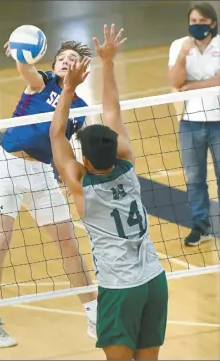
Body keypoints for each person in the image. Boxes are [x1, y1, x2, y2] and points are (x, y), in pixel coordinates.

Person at [49, 24, 168, 361]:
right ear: (115, 149)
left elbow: (56, 134)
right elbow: (112, 110)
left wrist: (68, 89)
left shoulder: (81, 185)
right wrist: (108, 64)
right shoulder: (127, 166)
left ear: (83, 160)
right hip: (154, 281)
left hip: (120, 290)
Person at [0, 37, 98, 348]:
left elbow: (62, 146)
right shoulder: (41, 81)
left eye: (73, 59)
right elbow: (25, 71)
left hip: (42, 174)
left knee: (68, 244)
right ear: (54, 61)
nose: (65, 61)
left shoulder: (80, 109)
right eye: (62, 57)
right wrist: (19, 56)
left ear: (82, 68)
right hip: (8, 167)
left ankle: (95, 314)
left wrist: (70, 179)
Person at [168, 2, 220, 246]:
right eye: (193, 22)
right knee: (194, 179)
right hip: (190, 122)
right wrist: (182, 56)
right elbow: (176, 82)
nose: (197, 26)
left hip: (219, 121)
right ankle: (201, 227)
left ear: (213, 22)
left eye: (202, 21)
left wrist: (193, 85)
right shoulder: (179, 45)